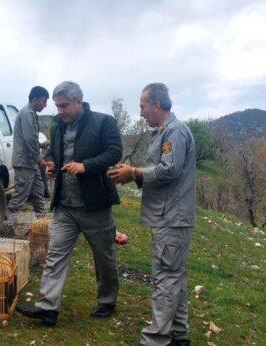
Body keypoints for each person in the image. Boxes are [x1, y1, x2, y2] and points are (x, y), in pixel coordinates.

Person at [16, 81, 122, 326]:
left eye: (64, 106)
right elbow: (53, 153)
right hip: (64, 204)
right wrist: (51, 163)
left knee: (104, 256)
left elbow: (114, 152)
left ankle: (107, 301)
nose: (60, 111)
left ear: (79, 101)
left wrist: (85, 166)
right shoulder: (58, 125)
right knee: (55, 255)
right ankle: (47, 308)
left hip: (94, 205)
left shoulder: (104, 122)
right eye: (57, 106)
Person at [108, 83, 196, 346]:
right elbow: (161, 169)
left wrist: (134, 172)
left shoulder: (174, 131)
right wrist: (132, 175)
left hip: (172, 217)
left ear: (156, 105)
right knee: (174, 276)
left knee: (166, 278)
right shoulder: (163, 133)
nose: (141, 113)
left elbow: (169, 170)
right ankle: (178, 334)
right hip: (167, 215)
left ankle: (156, 339)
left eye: (143, 106)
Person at [7, 86, 49, 219]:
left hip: (30, 162)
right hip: (25, 162)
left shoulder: (30, 113)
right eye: (44, 101)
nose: (45, 105)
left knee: (38, 192)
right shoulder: (27, 114)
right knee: (20, 196)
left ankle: (42, 224)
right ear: (35, 99)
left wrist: (41, 145)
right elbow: (29, 139)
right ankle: (7, 227)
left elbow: (30, 139)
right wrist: (40, 159)